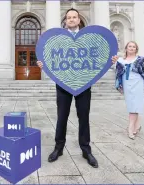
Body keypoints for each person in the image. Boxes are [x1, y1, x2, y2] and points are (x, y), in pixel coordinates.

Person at [37, 8, 104, 168]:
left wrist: (111, 59)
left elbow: (98, 56)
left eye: (74, 17)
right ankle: (58, 148)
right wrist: (43, 64)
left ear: (79, 20)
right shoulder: (59, 39)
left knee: (84, 117)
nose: (72, 20)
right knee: (62, 117)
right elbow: (51, 56)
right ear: (65, 21)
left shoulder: (88, 39)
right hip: (63, 84)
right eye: (69, 17)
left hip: (84, 84)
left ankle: (86, 150)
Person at [112, 41, 144, 139]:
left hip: (138, 83)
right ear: (126, 48)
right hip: (127, 84)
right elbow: (117, 73)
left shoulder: (141, 59)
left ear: (136, 49)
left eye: (134, 47)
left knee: (136, 105)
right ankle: (137, 126)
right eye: (130, 46)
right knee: (132, 106)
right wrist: (119, 85)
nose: (132, 48)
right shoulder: (121, 60)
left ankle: (130, 128)